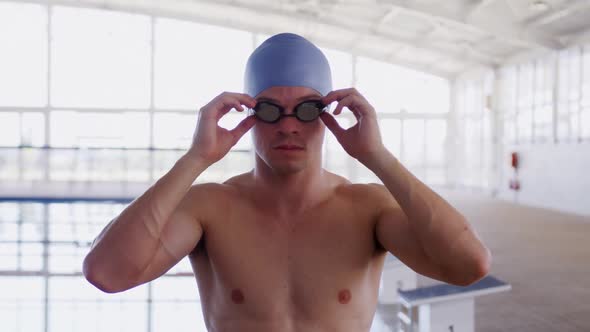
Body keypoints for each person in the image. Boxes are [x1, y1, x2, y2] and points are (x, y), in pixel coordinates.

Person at [83, 33, 491, 332]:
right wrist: (196, 158)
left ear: (329, 115)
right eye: (270, 110)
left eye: (308, 110)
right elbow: (107, 273)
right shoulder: (209, 208)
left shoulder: (368, 208)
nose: (290, 126)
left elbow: (469, 265)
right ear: (246, 114)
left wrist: (377, 157)